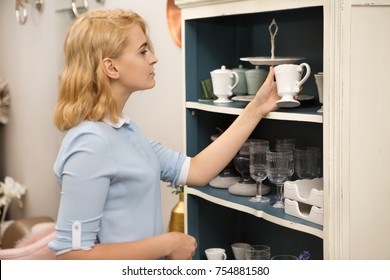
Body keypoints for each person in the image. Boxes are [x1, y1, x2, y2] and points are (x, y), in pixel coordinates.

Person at [48, 8, 279, 260]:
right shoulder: (90, 143)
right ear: (111, 67)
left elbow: (198, 170)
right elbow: (71, 256)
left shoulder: (126, 131)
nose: (154, 58)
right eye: (143, 51)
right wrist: (166, 245)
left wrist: (256, 108)